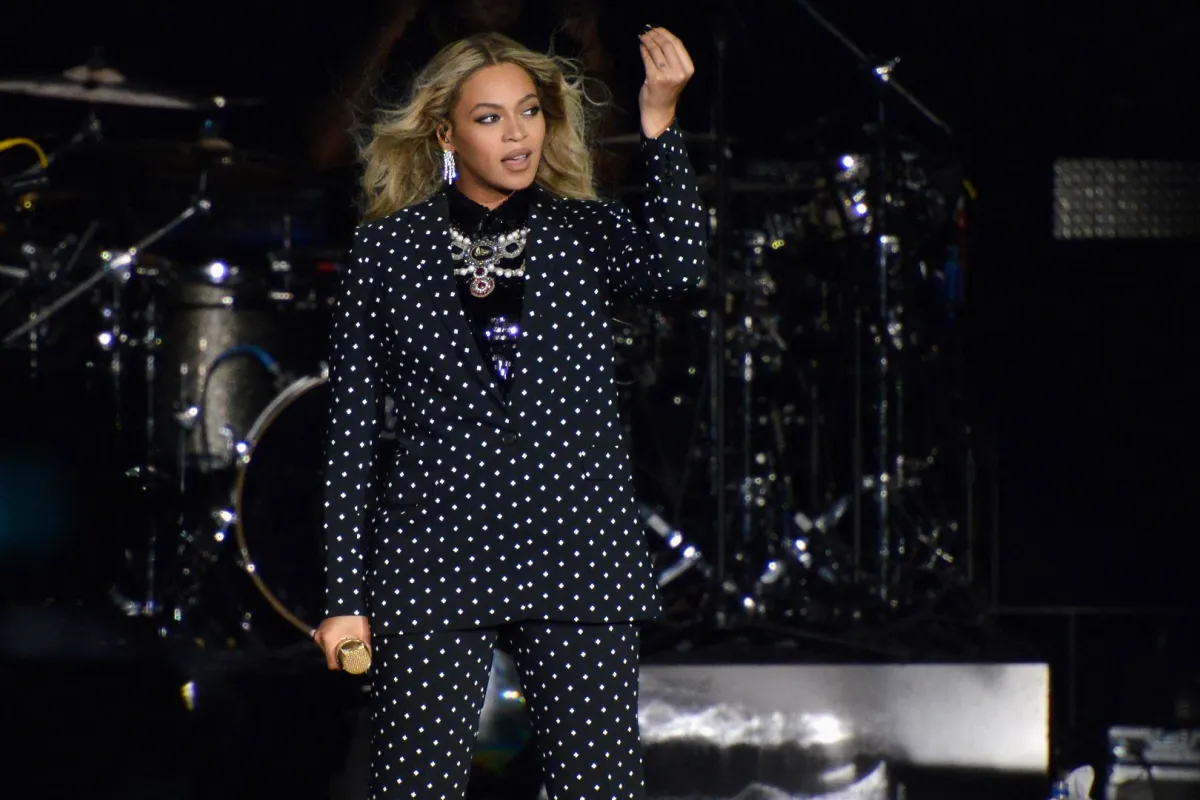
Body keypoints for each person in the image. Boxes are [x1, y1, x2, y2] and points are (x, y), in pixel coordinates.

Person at [313, 25, 705, 800]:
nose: (518, 132)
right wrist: (343, 600)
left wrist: (659, 124)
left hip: (575, 547)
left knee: (599, 787)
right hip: (434, 549)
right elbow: (351, 430)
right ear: (445, 132)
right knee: (413, 786)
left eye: (529, 112)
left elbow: (681, 267)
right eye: (490, 117)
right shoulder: (386, 252)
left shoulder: (585, 230)